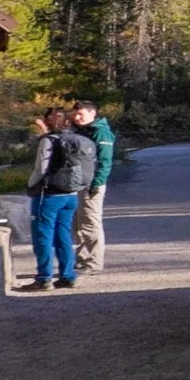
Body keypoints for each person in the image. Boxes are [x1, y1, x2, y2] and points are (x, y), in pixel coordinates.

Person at [25, 108, 95, 291]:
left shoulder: (48, 141)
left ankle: (44, 277)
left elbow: (41, 168)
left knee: (43, 236)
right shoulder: (74, 139)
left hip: (48, 195)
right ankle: (68, 276)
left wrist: (31, 186)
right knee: (64, 235)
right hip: (71, 195)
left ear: (48, 122)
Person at [70, 100, 116, 273]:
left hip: (92, 184)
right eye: (75, 114)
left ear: (92, 113)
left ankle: (94, 262)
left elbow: (105, 161)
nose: (77, 117)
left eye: (81, 114)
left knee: (90, 222)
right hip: (77, 183)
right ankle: (82, 259)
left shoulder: (101, 133)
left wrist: (97, 183)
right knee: (78, 223)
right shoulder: (81, 131)